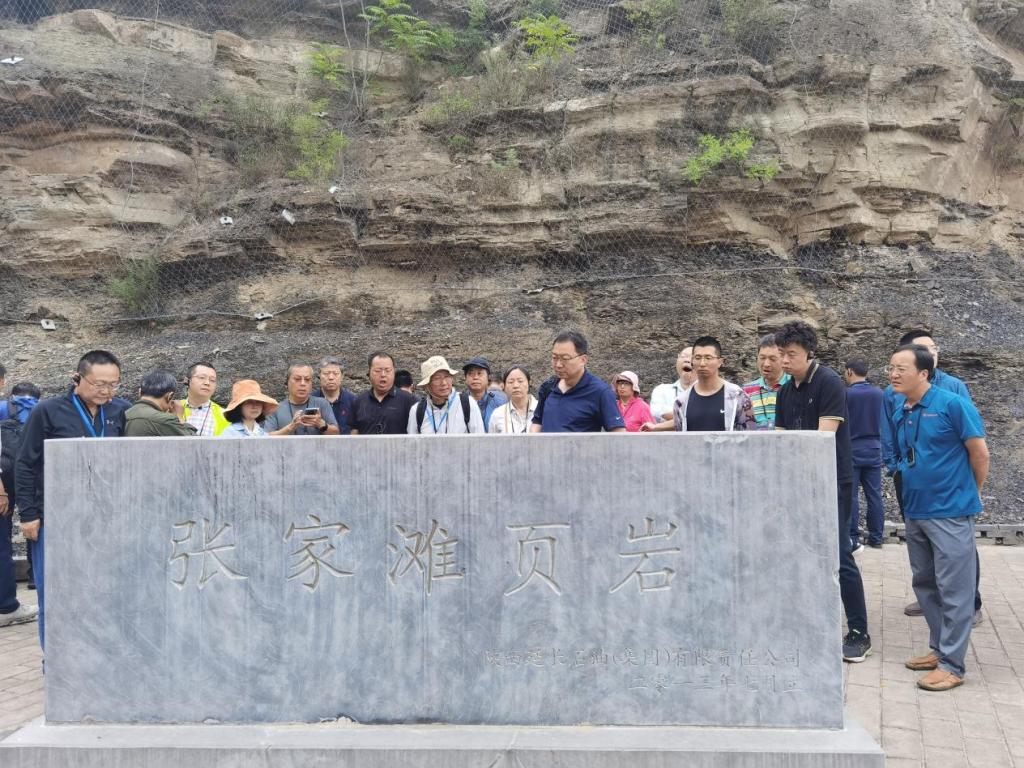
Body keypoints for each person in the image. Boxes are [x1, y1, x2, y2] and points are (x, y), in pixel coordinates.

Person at [887, 344, 989, 691]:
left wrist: (971, 493)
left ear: (923, 373)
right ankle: (939, 649)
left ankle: (952, 666)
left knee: (955, 589)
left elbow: (979, 453)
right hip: (916, 509)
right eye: (891, 368)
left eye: (901, 368)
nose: (893, 374)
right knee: (926, 584)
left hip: (950, 511)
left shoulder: (952, 404)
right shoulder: (902, 408)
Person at [15, 350, 130, 650]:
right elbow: (25, 463)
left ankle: (95, 655)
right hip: (56, 517)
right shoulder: (48, 411)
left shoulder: (120, 410)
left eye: (113, 384)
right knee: (55, 592)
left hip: (105, 517)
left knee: (102, 588)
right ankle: (53, 661)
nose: (106, 391)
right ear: (77, 378)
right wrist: (28, 514)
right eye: (99, 384)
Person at [773, 322, 871, 664]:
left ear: (809, 353)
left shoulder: (828, 382)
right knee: (801, 552)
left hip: (831, 480)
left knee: (839, 554)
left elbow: (822, 438)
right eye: (782, 354)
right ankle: (810, 620)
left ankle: (859, 632)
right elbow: (781, 441)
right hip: (798, 483)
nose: (785, 361)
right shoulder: (785, 392)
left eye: (791, 354)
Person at [881, 330, 983, 621]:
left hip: (950, 491)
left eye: (934, 347)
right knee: (923, 554)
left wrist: (971, 488)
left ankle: (971, 604)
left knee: (958, 553)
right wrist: (896, 467)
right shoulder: (894, 393)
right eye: (924, 348)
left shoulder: (954, 390)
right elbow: (888, 430)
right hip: (912, 483)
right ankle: (933, 605)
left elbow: (975, 444)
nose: (932, 353)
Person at [0, 383, 40, 628]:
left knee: (3, 540)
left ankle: (7, 602)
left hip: (4, 477)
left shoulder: (3, 408)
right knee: (32, 524)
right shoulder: (40, 409)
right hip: (28, 476)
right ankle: (31, 581)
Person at [530, 331, 625, 433]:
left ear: (583, 360)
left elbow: (618, 433)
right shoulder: (548, 387)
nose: (558, 365)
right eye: (554, 358)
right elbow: (538, 421)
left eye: (565, 358)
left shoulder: (601, 392)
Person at [844, 357, 884, 551]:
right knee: (874, 494)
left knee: (851, 495)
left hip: (852, 448)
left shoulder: (846, 394)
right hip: (875, 447)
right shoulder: (879, 394)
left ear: (849, 371)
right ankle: (877, 537)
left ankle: (853, 537)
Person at [408, 357, 485, 434]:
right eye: (437, 378)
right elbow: (412, 440)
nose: (444, 383)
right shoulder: (417, 411)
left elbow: (479, 438)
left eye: (447, 376)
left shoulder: (467, 404)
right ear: (427, 385)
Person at [349, 352, 419, 435]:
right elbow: (354, 433)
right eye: (378, 371)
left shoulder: (410, 401)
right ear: (369, 373)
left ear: (393, 372)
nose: (383, 375)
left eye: (387, 370)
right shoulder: (358, 402)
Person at [264, 363, 340, 436]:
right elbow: (266, 437)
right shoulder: (275, 409)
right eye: (297, 379)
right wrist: (290, 427)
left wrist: (321, 424)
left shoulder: (322, 403)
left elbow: (336, 433)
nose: (303, 383)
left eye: (307, 379)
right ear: (287, 382)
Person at [124, 370, 198, 437]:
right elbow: (195, 442)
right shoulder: (164, 420)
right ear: (169, 396)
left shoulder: (124, 414)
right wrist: (180, 418)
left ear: (140, 392)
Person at [742, 335, 792, 429]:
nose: (766, 364)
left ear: (784, 359)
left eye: (772, 359)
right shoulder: (745, 391)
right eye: (762, 358)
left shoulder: (795, 386)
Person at [178, 362, 228, 436]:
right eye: (202, 377)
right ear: (187, 380)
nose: (207, 383)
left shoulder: (225, 415)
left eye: (212, 380)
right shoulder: (172, 408)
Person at [649, 347, 695, 422]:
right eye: (684, 356)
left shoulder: (709, 392)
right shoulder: (661, 390)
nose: (687, 360)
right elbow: (656, 412)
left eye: (692, 357)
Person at [313, 356, 355, 435]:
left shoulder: (353, 401)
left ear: (342, 377)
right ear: (319, 376)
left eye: (336, 373)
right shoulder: (310, 401)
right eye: (326, 373)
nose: (331, 377)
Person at [489, 366, 538, 434]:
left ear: (529, 383)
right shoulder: (498, 414)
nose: (515, 385)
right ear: (504, 386)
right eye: (511, 382)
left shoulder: (541, 409)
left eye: (520, 381)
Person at [463, 357, 508, 430]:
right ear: (465, 379)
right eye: (471, 374)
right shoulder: (459, 403)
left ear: (488, 378)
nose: (475, 377)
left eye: (479, 373)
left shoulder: (500, 402)